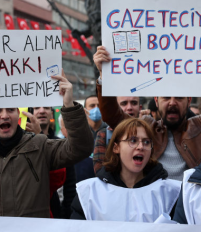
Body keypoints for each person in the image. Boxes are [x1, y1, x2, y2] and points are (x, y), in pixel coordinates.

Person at [93, 46, 201, 181]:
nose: (172, 103)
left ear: (189, 101)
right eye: (166, 97)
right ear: (156, 101)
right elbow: (113, 117)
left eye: (179, 97)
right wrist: (104, 77)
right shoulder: (145, 126)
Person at [0, 75, 94, 218]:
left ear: (18, 113)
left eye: (10, 110)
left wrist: (69, 105)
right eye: (0, 110)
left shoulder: (39, 145)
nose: (4, 115)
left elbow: (81, 148)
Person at [71, 118, 181, 222]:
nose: (141, 147)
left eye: (146, 142)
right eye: (133, 140)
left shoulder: (170, 192)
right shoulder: (89, 192)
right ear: (116, 147)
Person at [31, 106, 77, 219]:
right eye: (37, 108)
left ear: (51, 114)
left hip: (59, 215)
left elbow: (70, 185)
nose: (42, 111)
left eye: (46, 108)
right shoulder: (23, 146)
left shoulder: (62, 144)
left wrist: (67, 215)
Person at [93, 96, 141, 174]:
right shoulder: (104, 134)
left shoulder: (148, 132)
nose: (129, 107)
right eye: (124, 103)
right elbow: (100, 171)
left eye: (134, 103)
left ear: (140, 107)